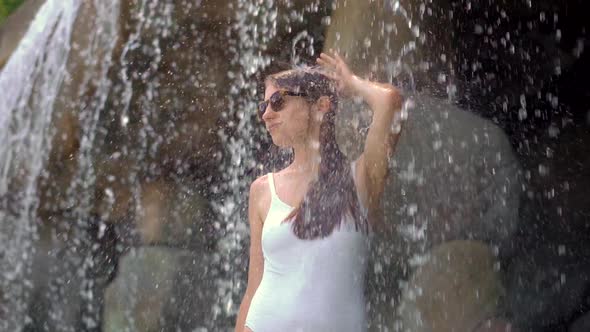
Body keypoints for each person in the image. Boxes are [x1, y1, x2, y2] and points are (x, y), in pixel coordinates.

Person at [234, 52, 403, 332]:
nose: (266, 114)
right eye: (263, 105)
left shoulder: (360, 179)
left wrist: (352, 84)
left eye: (278, 101)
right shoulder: (262, 190)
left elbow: (390, 102)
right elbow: (253, 289)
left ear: (321, 106)